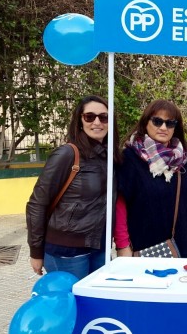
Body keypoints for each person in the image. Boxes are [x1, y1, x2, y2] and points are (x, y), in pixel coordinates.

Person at [26, 95, 118, 280]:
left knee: (95, 305)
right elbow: (37, 203)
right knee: (73, 304)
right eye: (90, 117)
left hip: (99, 246)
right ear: (80, 121)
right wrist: (36, 251)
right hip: (67, 250)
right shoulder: (67, 154)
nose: (97, 122)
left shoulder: (110, 156)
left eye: (104, 117)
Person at [113, 100, 187, 258]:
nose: (164, 128)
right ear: (145, 122)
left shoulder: (183, 157)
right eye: (157, 121)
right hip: (145, 247)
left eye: (170, 123)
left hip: (179, 247)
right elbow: (120, 204)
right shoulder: (131, 158)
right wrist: (123, 245)